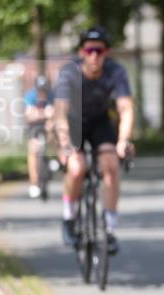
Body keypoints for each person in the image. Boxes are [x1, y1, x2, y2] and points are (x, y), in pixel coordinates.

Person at [53, 26, 135, 255]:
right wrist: (64, 144)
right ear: (81, 52)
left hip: (100, 122)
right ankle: (69, 217)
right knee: (77, 168)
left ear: (107, 52)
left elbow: (126, 108)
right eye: (89, 50)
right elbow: (60, 112)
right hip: (73, 122)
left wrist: (123, 140)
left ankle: (110, 229)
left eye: (99, 51)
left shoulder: (116, 71)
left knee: (110, 166)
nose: (94, 55)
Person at [24, 75, 55, 198]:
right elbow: (29, 115)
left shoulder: (52, 96)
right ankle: (34, 183)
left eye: (45, 90)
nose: (42, 93)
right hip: (34, 126)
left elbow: (55, 112)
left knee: (56, 133)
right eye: (40, 90)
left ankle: (54, 158)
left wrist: (50, 120)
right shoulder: (30, 96)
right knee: (33, 151)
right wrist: (45, 114)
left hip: (48, 124)